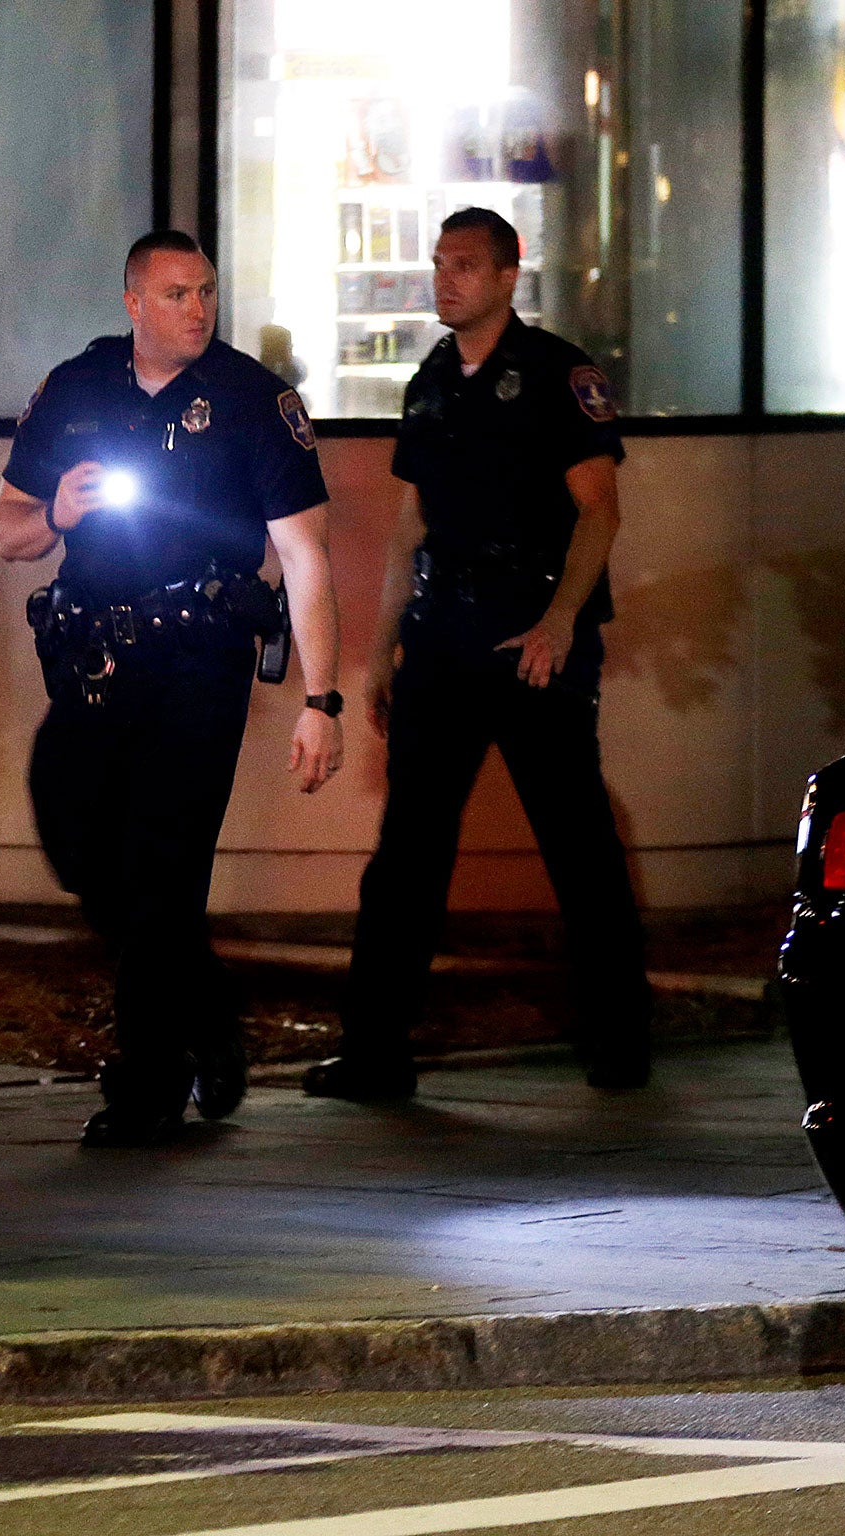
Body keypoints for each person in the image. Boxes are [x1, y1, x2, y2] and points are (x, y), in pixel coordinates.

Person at [0, 230, 345, 1148]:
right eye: (178, 293)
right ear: (134, 303)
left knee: (161, 868)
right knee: (76, 840)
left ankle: (148, 1083)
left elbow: (305, 555)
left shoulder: (251, 400)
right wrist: (57, 510)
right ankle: (208, 1010)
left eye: (208, 292)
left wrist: (323, 699)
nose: (198, 309)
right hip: (92, 662)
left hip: (198, 662)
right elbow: (8, 531)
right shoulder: (76, 387)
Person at [306, 207, 652, 1102]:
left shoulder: (554, 374)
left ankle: (620, 1039)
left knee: (576, 845)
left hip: (532, 639)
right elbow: (409, 528)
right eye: (438, 263)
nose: (445, 279)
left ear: (508, 275)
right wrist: (379, 656)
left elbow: (599, 510)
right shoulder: (429, 381)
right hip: (445, 639)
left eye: (465, 265)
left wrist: (559, 621)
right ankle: (376, 1051)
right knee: (408, 854)